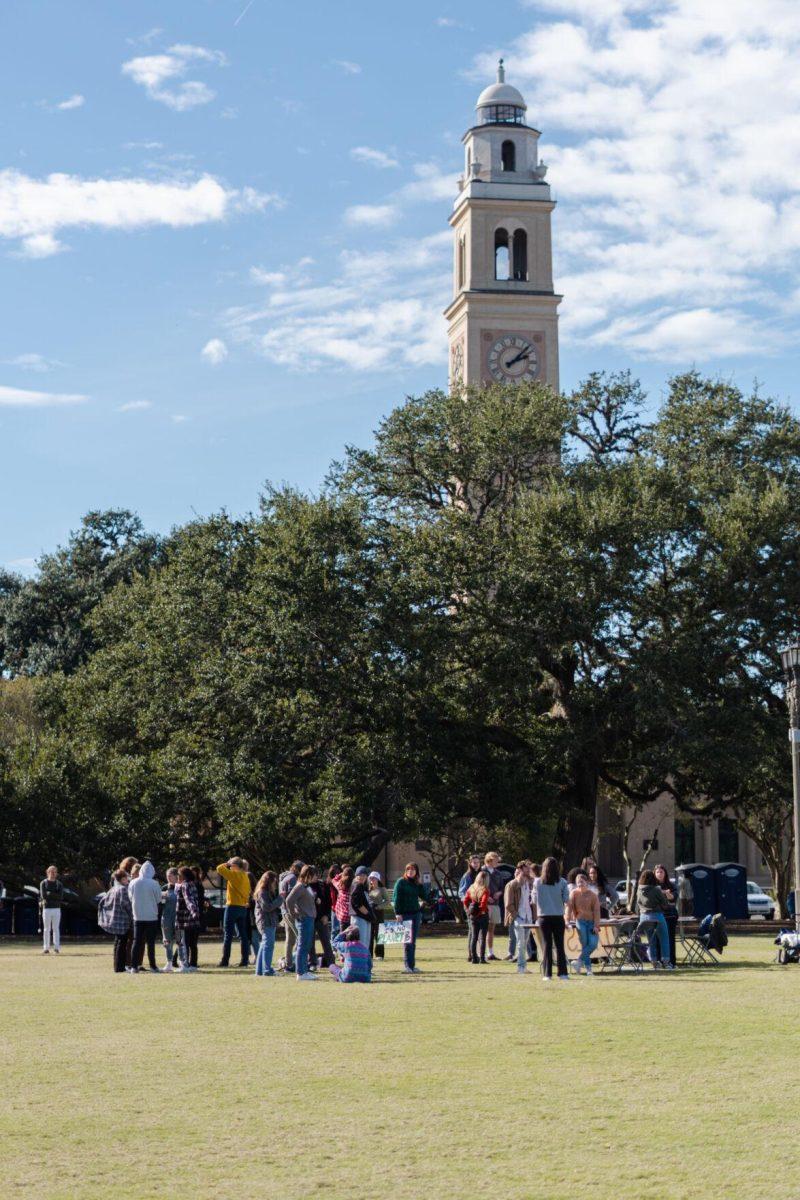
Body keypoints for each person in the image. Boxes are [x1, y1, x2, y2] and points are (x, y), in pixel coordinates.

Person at [533, 857, 570, 981]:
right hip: (558, 916)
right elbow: (566, 899)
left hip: (543, 917)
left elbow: (533, 900)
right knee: (560, 945)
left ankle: (547, 974)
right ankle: (563, 973)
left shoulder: (537, 882)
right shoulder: (563, 882)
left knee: (547, 945)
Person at [216, 857, 252, 968]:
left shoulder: (234, 875)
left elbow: (219, 868)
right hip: (242, 908)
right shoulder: (246, 876)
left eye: (232, 866)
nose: (230, 868)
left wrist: (227, 863)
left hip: (232, 907)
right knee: (243, 936)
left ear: (236, 866)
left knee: (228, 935)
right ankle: (244, 961)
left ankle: (225, 961)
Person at [286, 865, 319, 981]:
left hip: (309, 919)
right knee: (302, 946)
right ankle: (300, 973)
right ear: (308, 874)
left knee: (306, 946)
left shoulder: (306, 886)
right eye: (314, 874)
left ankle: (304, 970)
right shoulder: (299, 886)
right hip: (304, 920)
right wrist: (294, 914)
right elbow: (289, 900)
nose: (316, 877)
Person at [636, 869, 674, 969]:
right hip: (657, 916)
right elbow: (664, 904)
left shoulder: (639, 890)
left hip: (644, 917)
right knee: (664, 939)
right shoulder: (656, 889)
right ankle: (666, 962)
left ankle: (654, 962)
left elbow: (638, 904)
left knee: (651, 940)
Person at [129, 860, 162, 973]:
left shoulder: (133, 882)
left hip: (137, 915)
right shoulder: (154, 883)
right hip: (151, 916)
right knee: (151, 943)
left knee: (136, 941)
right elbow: (158, 899)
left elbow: (130, 897)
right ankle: (153, 966)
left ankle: (134, 966)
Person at [97, 869, 133, 973]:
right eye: (126, 877)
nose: (128, 879)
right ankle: (120, 967)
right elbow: (126, 904)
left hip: (114, 920)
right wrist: (133, 916)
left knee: (117, 943)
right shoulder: (123, 889)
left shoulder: (113, 889)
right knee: (122, 944)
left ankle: (116, 966)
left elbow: (102, 902)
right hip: (122, 921)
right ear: (122, 879)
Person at [393, 862, 426, 974]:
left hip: (415, 914)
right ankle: (408, 966)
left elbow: (425, 896)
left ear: (416, 872)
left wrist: (422, 885)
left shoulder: (417, 884)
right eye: (408, 869)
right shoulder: (401, 882)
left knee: (413, 941)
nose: (410, 871)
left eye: (413, 869)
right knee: (408, 941)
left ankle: (412, 966)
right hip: (405, 915)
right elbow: (396, 899)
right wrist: (398, 913)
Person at [566, 872, 601, 975]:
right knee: (585, 943)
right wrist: (567, 920)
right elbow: (569, 907)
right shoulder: (574, 893)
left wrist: (596, 925)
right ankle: (589, 970)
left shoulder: (593, 895)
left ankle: (578, 961)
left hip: (591, 923)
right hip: (580, 921)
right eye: (578, 882)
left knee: (593, 944)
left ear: (587, 882)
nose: (580, 884)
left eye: (582, 882)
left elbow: (597, 911)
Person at [504, 862, 534, 973]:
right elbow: (508, 904)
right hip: (519, 917)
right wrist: (516, 916)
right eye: (526, 870)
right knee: (521, 943)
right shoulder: (512, 884)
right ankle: (521, 967)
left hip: (528, 917)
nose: (528, 872)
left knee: (525, 943)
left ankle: (523, 966)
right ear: (520, 870)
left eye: (529, 870)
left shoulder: (529, 883)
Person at [253, 871, 282, 976]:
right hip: (266, 922)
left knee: (264, 945)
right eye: (274, 881)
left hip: (268, 921)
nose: (276, 883)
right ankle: (267, 970)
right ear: (269, 881)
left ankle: (259, 971)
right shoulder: (262, 892)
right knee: (268, 946)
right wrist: (280, 899)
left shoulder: (267, 892)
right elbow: (267, 907)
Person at [279, 860, 304, 972]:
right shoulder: (293, 879)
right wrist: (295, 911)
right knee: (295, 938)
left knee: (291, 938)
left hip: (285, 911)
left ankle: (290, 961)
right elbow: (291, 896)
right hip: (290, 912)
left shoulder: (285, 877)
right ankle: (289, 963)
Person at [175, 866, 201, 972]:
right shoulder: (193, 884)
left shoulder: (185, 885)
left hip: (185, 917)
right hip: (193, 918)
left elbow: (188, 899)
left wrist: (193, 911)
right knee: (193, 944)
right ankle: (193, 965)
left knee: (184, 942)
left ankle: (185, 965)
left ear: (183, 875)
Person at [458, 853, 482, 962]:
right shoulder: (467, 876)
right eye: (474, 862)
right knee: (472, 931)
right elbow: (461, 892)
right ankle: (471, 954)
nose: (476, 864)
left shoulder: (482, 875)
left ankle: (480, 953)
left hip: (481, 905)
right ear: (470, 863)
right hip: (471, 906)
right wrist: (468, 905)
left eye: (478, 862)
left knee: (480, 931)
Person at [654, 863, 678, 966]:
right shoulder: (652, 886)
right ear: (654, 873)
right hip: (656, 915)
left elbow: (673, 898)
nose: (659, 874)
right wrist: (661, 892)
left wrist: (667, 893)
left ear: (665, 873)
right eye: (658, 872)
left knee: (669, 939)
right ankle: (659, 961)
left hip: (669, 915)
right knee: (657, 938)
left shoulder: (671, 885)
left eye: (661, 872)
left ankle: (671, 961)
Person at [464, 870, 490, 964]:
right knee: (482, 937)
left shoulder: (471, 888)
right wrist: (480, 912)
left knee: (474, 937)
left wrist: (468, 911)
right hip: (482, 915)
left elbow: (465, 901)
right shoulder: (485, 890)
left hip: (473, 915)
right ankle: (482, 958)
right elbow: (483, 904)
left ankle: (474, 958)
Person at [483, 852, 504, 960]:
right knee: (481, 929)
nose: (497, 862)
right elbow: (477, 887)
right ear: (490, 860)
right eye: (496, 860)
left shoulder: (498, 873)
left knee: (491, 929)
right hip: (483, 905)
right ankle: (480, 953)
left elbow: (502, 888)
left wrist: (498, 893)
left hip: (495, 904)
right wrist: (486, 897)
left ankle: (490, 953)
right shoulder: (481, 871)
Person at [311, 873, 335, 968]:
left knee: (326, 941)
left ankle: (331, 963)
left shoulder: (323, 885)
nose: (315, 877)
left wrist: (327, 915)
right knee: (310, 943)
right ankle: (313, 962)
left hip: (322, 918)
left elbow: (329, 902)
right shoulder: (305, 886)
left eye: (316, 874)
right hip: (310, 918)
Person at [40, 865, 64, 955]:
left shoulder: (59, 884)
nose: (53, 874)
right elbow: (44, 896)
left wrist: (50, 893)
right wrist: (53, 895)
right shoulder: (43, 883)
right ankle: (46, 948)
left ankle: (56, 948)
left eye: (54, 872)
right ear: (48, 872)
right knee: (46, 929)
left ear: (56, 873)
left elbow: (60, 897)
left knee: (56, 928)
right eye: (51, 872)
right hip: (46, 909)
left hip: (56, 908)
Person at [349, 866, 375, 948]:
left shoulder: (363, 886)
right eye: (361, 875)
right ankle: (361, 960)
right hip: (359, 917)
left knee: (366, 943)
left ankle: (364, 960)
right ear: (356, 875)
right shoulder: (357, 885)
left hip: (364, 918)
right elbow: (357, 903)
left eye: (365, 875)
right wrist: (368, 914)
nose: (363, 877)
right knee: (361, 942)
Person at [367, 871, 390, 959]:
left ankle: (379, 954)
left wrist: (379, 907)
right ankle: (369, 954)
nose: (372, 880)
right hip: (369, 913)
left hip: (379, 913)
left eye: (374, 878)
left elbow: (387, 901)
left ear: (378, 879)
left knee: (379, 935)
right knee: (369, 935)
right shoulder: (368, 889)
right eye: (371, 878)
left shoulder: (382, 889)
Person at [160, 868, 179, 972]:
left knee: (180, 940)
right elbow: (159, 903)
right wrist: (162, 897)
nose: (168, 877)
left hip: (178, 917)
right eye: (167, 875)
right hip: (166, 917)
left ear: (176, 876)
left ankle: (182, 961)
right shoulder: (164, 888)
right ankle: (169, 962)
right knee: (167, 940)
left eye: (170, 875)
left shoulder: (180, 887)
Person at [332, 866, 354, 949]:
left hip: (342, 917)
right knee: (351, 937)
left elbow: (333, 880)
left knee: (343, 936)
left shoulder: (340, 886)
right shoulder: (354, 887)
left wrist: (340, 874)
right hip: (352, 916)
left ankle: (342, 955)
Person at [327, 865, 342, 938]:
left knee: (341, 929)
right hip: (334, 908)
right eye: (334, 872)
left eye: (338, 871)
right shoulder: (330, 883)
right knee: (334, 929)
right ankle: (333, 947)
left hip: (341, 908)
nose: (336, 873)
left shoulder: (342, 882)